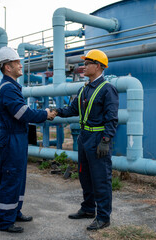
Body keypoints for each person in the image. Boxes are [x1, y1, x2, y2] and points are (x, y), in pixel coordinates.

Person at [52, 49, 119, 231]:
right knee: (85, 175)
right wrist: (57, 112)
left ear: (97, 66)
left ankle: (103, 217)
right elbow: (73, 109)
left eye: (87, 63)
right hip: (84, 137)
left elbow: (112, 118)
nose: (84, 66)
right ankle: (89, 209)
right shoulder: (84, 89)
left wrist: (106, 140)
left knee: (100, 178)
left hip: (98, 138)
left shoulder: (107, 89)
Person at [0, 47, 56, 233]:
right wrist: (45, 114)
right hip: (11, 138)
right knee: (11, 176)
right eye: (17, 62)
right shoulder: (8, 89)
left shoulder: (12, 86)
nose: (21, 65)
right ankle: (5, 221)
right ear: (7, 67)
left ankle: (14, 211)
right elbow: (23, 114)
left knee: (19, 176)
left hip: (18, 137)